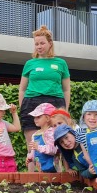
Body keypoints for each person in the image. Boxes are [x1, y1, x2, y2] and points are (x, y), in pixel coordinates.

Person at [18, 25, 70, 171]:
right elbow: (22, 89)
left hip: (55, 103)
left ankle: (59, 178)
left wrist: (64, 110)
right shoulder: (30, 63)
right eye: (36, 44)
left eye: (42, 43)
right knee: (32, 145)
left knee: (57, 143)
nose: (39, 46)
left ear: (50, 43)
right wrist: (23, 108)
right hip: (31, 103)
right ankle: (31, 180)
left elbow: (66, 89)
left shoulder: (60, 63)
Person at [26, 103, 57, 172]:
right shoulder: (35, 134)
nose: (35, 119)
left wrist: (39, 147)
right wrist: (30, 157)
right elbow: (34, 150)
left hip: (53, 168)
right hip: (40, 168)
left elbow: (54, 150)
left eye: (38, 117)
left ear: (48, 118)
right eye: (34, 117)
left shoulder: (52, 132)